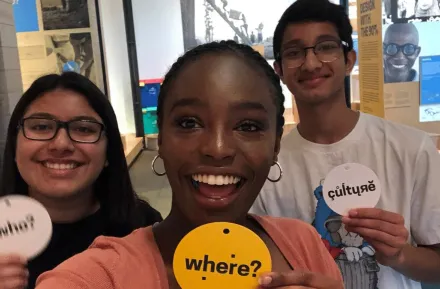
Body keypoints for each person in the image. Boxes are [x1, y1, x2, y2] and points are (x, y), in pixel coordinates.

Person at [35, 41, 343, 289]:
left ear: (276, 144)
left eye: (248, 126)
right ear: (161, 139)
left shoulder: (303, 243)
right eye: (189, 122)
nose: (218, 149)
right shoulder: (99, 275)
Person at [250, 1, 440, 289]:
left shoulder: (411, 148)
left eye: (325, 47)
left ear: (349, 59)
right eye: (294, 53)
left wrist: (399, 255)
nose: (311, 63)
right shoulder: (267, 168)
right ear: (279, 69)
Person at [0, 72, 163, 289]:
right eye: (41, 127)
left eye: (84, 129)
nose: (60, 144)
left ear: (109, 151)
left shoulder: (143, 227)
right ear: (14, 143)